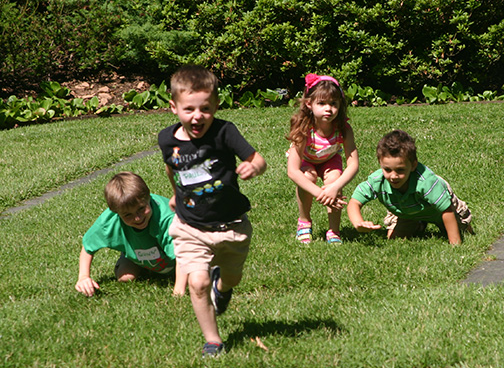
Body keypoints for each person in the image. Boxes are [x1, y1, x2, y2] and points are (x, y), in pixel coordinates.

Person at [158, 64, 266, 358]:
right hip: (190, 226)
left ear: (216, 105)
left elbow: (259, 159)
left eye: (206, 108)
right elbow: (173, 168)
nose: (197, 116)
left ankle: (224, 286)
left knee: (232, 278)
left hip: (232, 226)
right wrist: (175, 194)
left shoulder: (225, 132)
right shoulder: (166, 139)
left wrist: (253, 167)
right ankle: (213, 339)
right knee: (198, 281)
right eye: (189, 109)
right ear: (174, 107)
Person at [347, 130, 472, 245]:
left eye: (400, 170)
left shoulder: (425, 181)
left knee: (460, 230)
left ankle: (460, 215)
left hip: (439, 209)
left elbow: (446, 210)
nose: (393, 176)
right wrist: (359, 223)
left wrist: (455, 244)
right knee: (394, 239)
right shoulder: (377, 180)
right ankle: (418, 224)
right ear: (380, 163)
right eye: (387, 169)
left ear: (413, 165)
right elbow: (354, 202)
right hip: (406, 211)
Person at [75, 172, 187, 297]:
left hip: (183, 255)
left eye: (141, 209)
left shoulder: (167, 219)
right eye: (128, 215)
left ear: (148, 197)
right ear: (116, 212)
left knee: (194, 275)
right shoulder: (109, 221)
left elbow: (183, 256)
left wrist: (178, 293)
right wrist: (83, 277)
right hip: (146, 254)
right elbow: (88, 247)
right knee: (125, 276)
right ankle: (141, 260)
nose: (138, 218)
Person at [286, 73, 359, 244]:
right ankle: (304, 221)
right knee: (307, 177)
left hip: (329, 160)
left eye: (333, 103)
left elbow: (353, 164)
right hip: (306, 161)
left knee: (335, 179)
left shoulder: (344, 128)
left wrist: (335, 187)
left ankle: (334, 230)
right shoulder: (303, 127)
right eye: (322, 103)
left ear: (340, 105)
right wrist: (321, 193)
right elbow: (293, 171)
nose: (328, 108)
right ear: (309, 104)